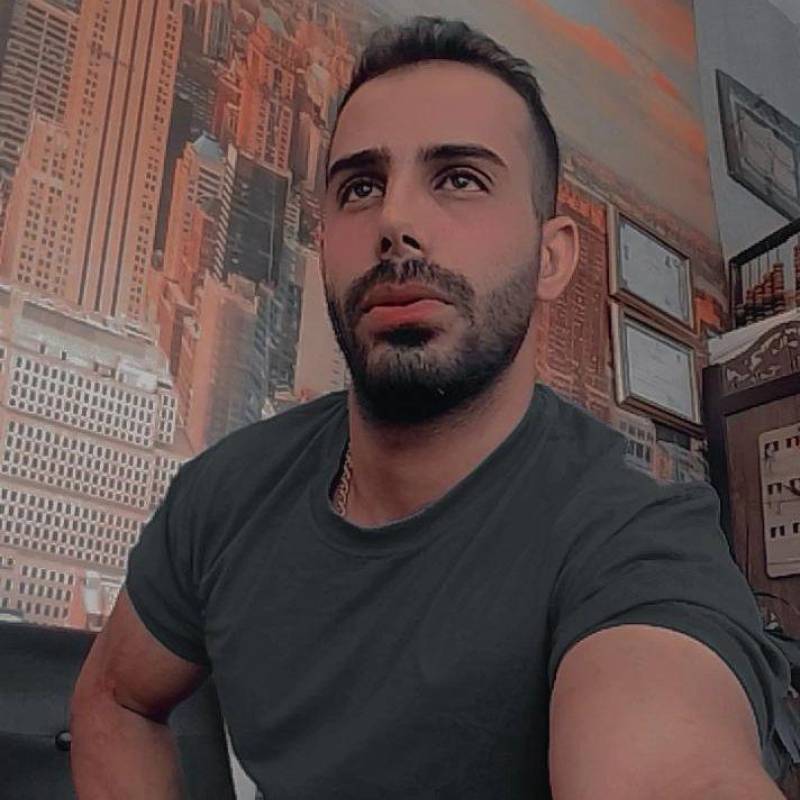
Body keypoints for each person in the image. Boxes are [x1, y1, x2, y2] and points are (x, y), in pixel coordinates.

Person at [70, 16, 791, 799]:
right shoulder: (224, 496)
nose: (396, 222)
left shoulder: (634, 538)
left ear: (551, 258)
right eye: (360, 188)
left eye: (459, 179)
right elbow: (115, 700)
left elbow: (675, 765)